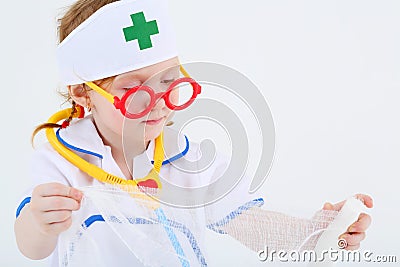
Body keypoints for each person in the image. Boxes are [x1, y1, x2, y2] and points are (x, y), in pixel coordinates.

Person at [14, 0, 373, 266]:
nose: (157, 103)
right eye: (134, 90)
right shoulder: (59, 163)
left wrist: (321, 233)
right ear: (82, 92)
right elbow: (32, 247)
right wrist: (38, 223)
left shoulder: (191, 161)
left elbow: (253, 227)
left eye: (168, 82)